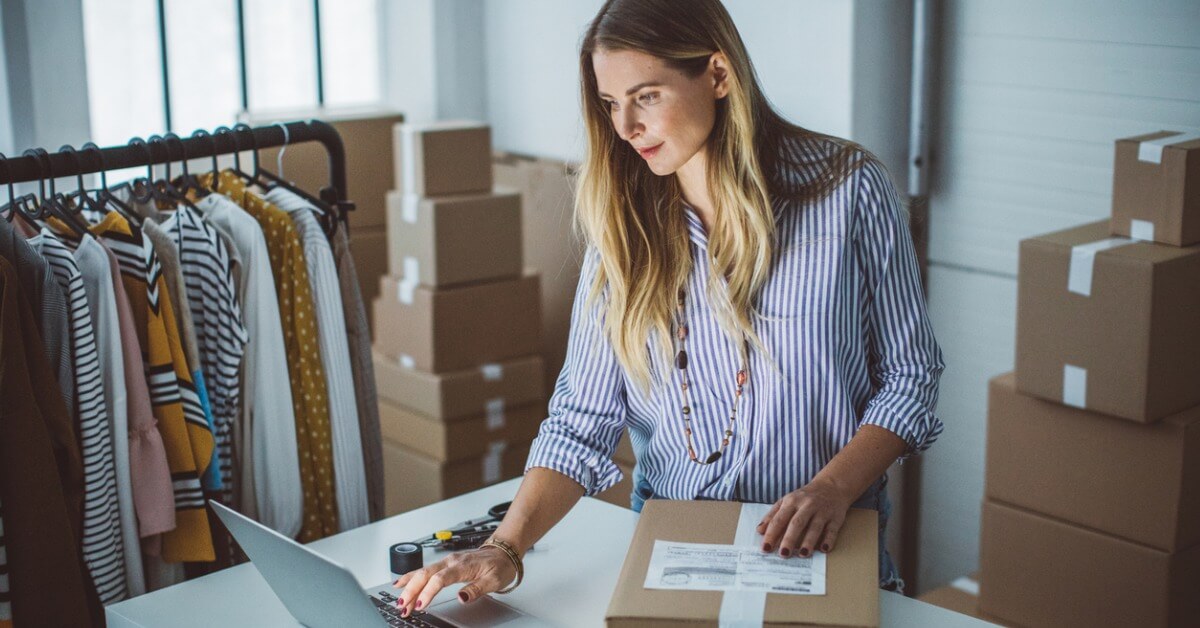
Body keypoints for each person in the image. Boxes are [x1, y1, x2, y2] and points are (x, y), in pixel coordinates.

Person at [392, 0, 944, 615]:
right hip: (675, 558)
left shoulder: (848, 190)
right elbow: (581, 420)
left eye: (646, 96)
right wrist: (505, 549)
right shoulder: (623, 232)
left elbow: (911, 377)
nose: (624, 126)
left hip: (824, 551)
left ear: (717, 74)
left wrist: (832, 489)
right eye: (609, 104)